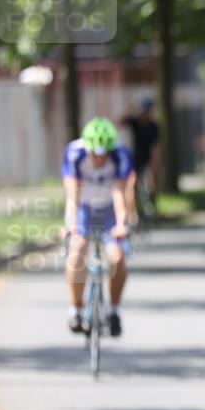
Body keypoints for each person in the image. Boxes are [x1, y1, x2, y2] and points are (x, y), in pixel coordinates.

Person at [63, 117, 132, 336]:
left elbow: (120, 193)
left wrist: (122, 223)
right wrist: (71, 224)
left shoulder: (121, 155)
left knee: (118, 258)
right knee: (77, 254)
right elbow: (73, 192)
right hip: (83, 210)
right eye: (95, 154)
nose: (99, 160)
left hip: (109, 211)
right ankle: (76, 309)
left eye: (104, 155)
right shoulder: (75, 153)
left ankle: (114, 311)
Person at [121, 98, 161, 225]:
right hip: (136, 158)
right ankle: (133, 213)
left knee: (152, 182)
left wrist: (154, 165)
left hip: (148, 158)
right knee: (132, 184)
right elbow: (120, 122)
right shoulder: (135, 122)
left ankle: (153, 206)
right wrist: (130, 110)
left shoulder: (153, 126)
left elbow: (155, 147)